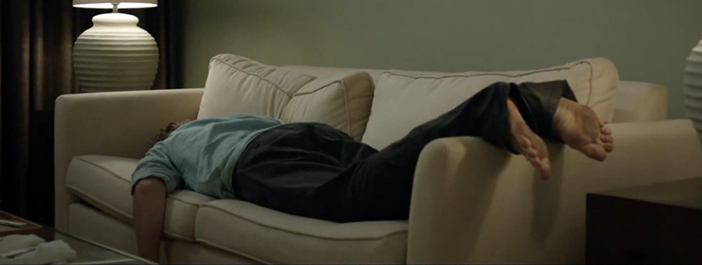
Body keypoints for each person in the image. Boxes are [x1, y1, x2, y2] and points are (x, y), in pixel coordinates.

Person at [131, 80, 614, 263]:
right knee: (392, 179)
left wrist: (146, 259)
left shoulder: (170, 145)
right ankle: (534, 103)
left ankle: (491, 105)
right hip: (308, 134)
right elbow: (286, 128)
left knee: (353, 196)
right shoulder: (229, 119)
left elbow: (149, 189)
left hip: (256, 160)